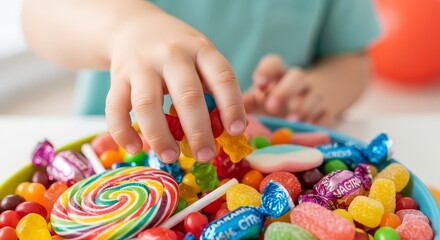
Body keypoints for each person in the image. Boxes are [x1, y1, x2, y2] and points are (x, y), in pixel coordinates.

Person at [21, 0, 380, 163]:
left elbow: (350, 58)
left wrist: (315, 94)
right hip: (115, 149)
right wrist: (126, 27)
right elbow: (38, 13)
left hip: (268, 137)